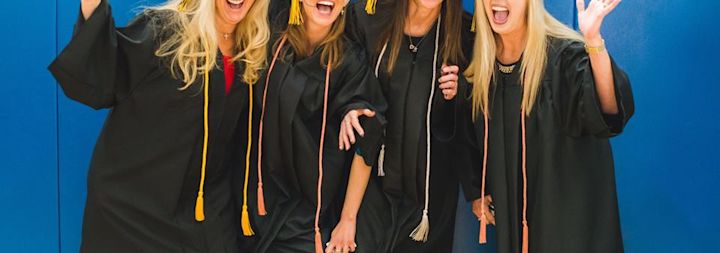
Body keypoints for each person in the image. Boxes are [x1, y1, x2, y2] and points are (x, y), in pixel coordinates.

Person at [48, 0, 269, 252]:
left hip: (206, 214)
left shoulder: (252, 48)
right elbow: (103, 78)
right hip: (132, 212)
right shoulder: (165, 32)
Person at [466, 0, 634, 252]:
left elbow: (608, 112)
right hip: (515, 223)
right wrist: (478, 189)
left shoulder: (563, 57)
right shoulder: (481, 67)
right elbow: (472, 137)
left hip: (569, 228)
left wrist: (594, 42)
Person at [249, 0, 386, 252]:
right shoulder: (270, 34)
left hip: (308, 218)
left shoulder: (349, 61)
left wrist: (348, 219)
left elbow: (370, 132)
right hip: (253, 203)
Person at [342, 0, 475, 252]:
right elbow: (344, 83)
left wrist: (460, 93)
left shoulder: (466, 35)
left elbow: (478, 118)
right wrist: (350, 106)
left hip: (429, 201)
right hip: (369, 191)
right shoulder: (369, 18)